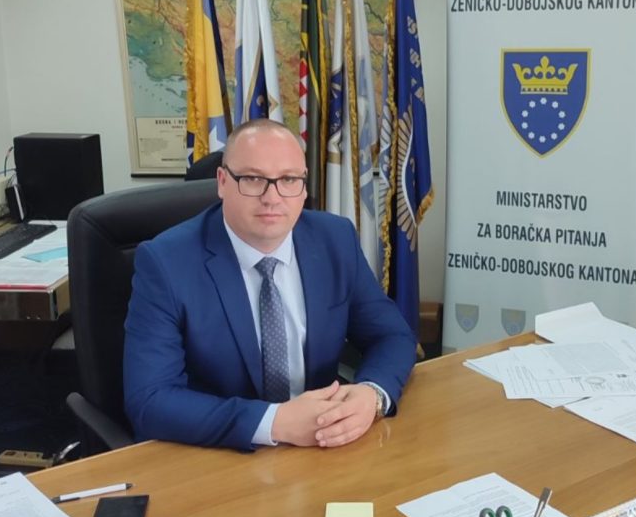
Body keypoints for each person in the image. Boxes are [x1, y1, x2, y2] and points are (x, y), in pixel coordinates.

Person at [123, 118, 417, 451]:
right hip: (219, 453)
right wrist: (274, 422)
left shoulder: (335, 239)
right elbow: (149, 399)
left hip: (323, 445)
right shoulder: (166, 262)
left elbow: (392, 335)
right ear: (222, 182)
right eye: (253, 178)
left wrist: (372, 393)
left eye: (288, 179)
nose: (272, 197)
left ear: (303, 186)